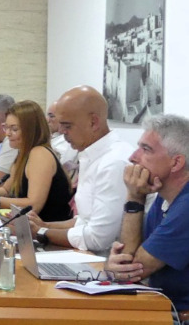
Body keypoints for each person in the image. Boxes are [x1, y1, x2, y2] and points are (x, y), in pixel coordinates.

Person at [27, 86, 133, 255]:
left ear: (93, 122)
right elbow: (84, 221)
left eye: (67, 126)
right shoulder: (91, 154)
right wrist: (44, 225)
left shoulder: (114, 162)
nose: (61, 132)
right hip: (88, 255)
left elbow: (98, 239)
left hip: (105, 261)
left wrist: (41, 233)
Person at [106, 114, 189, 318]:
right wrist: (115, 265)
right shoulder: (164, 196)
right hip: (160, 308)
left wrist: (135, 196)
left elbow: (132, 271)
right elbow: (128, 261)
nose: (133, 157)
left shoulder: (186, 206)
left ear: (176, 162)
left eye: (146, 149)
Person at [0, 100, 73, 222]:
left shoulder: (40, 154)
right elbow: (6, 190)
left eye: (14, 129)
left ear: (31, 130)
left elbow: (34, 205)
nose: (8, 134)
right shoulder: (23, 153)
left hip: (47, 228)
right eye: (6, 127)